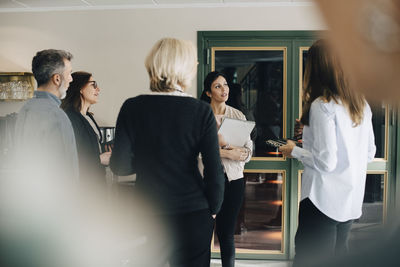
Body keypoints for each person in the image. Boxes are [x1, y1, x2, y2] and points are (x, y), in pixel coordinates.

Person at [109, 38, 225, 267]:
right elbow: (214, 169)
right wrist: (213, 208)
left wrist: (147, 161)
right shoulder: (200, 111)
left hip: (147, 214)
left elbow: (119, 166)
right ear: (186, 68)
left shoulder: (132, 107)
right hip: (193, 213)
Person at [278, 39, 376, 267]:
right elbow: (369, 153)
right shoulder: (361, 104)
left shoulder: (321, 105)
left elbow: (326, 162)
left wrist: (296, 151)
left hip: (322, 200)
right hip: (349, 203)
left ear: (316, 69)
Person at [200, 71, 252, 267]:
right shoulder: (200, 115)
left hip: (234, 180)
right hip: (205, 181)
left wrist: (242, 154)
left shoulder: (237, 115)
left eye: (225, 85)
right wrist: (226, 153)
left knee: (226, 233)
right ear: (208, 92)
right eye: (217, 86)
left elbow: (248, 150)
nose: (224, 89)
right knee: (203, 232)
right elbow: (193, 151)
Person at [14, 49, 78, 182]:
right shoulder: (57, 116)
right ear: (57, 79)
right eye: (69, 73)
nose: (71, 79)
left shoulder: (25, 110)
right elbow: (69, 173)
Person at [61, 71, 111, 185]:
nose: (98, 89)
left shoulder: (88, 117)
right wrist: (99, 159)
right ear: (80, 88)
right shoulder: (70, 117)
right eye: (93, 85)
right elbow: (70, 157)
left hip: (97, 182)